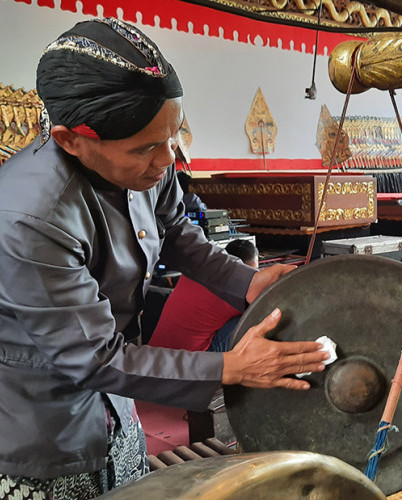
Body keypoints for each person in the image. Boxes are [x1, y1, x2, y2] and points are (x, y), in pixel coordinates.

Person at [0, 18, 327, 499]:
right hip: (43, 438)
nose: (167, 159)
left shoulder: (151, 160)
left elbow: (175, 230)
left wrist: (246, 282)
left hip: (117, 410)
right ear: (72, 140)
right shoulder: (30, 219)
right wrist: (229, 368)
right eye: (148, 147)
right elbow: (94, 357)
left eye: (174, 135)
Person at [149, 239, 259, 352]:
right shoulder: (237, 288)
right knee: (257, 317)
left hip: (158, 355)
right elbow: (267, 306)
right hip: (193, 360)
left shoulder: (193, 272)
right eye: (253, 271)